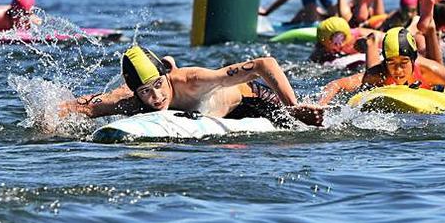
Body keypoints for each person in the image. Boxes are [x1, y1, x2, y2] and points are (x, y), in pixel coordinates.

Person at [58, 45, 325, 127]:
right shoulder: (129, 100)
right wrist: (50, 120)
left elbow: (265, 64)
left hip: (253, 103)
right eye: (145, 91)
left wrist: (293, 108)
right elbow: (81, 107)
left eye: (159, 85)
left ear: (166, 75)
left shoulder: (193, 80)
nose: (156, 97)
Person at [317, 26, 445, 108]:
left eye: (403, 63)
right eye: (392, 63)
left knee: (439, 70)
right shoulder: (381, 71)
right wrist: (320, 105)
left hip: (429, 88)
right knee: (371, 80)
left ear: (413, 60)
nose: (398, 71)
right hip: (383, 83)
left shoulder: (427, 70)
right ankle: (371, 43)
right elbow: (337, 84)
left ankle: (430, 29)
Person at [310, 16, 379, 63]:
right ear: (325, 42)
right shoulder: (321, 50)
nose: (340, 44)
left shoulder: (359, 35)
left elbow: (384, 37)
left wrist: (370, 45)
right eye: (335, 42)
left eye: (342, 39)